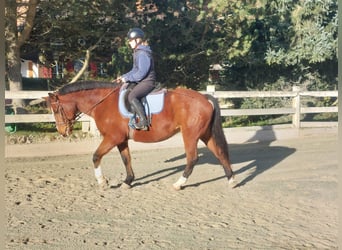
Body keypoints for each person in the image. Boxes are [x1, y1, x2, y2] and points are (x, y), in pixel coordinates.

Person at [117, 28, 156, 131]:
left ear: (137, 40)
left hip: (147, 82)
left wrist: (127, 78)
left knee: (132, 96)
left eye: (130, 41)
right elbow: (134, 70)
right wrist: (123, 77)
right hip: (142, 81)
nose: (129, 43)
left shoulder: (142, 53)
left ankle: (143, 122)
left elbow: (141, 73)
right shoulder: (138, 52)